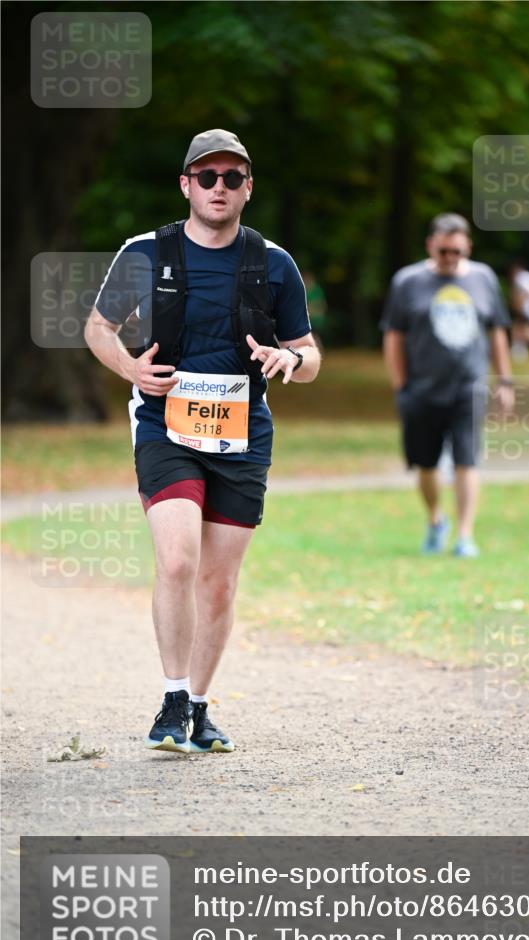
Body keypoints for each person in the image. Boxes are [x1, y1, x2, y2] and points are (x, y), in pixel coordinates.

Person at [85, 129, 321, 752]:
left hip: (243, 433)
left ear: (248, 188)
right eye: (208, 177)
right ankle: (169, 695)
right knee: (179, 559)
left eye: (233, 178)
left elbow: (310, 353)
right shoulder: (144, 252)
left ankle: (198, 707)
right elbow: (98, 328)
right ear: (187, 184)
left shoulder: (273, 263)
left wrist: (289, 362)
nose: (220, 188)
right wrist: (130, 369)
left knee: (218, 581)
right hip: (167, 427)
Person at [381, 213, 514, 557]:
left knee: (466, 462)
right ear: (431, 246)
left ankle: (465, 535)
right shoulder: (407, 282)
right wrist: (401, 385)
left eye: (457, 251)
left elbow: (497, 331)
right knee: (425, 465)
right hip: (422, 390)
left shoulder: (483, 279)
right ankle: (436, 519)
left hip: (469, 387)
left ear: (467, 246)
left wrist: (505, 380)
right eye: (443, 251)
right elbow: (394, 336)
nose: (450, 258)